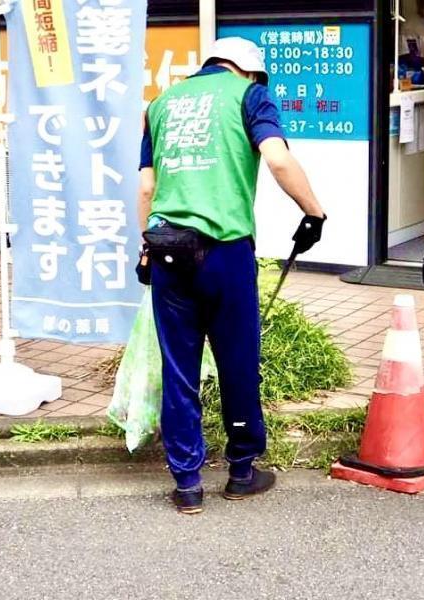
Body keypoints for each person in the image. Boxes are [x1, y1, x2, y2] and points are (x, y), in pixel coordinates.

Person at [136, 37, 326, 515]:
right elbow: (278, 158)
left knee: (178, 369)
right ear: (249, 71)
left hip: (167, 251)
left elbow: (147, 185)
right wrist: (314, 212)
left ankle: (186, 484)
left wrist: (145, 247)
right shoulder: (250, 96)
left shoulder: (159, 105)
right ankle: (241, 472)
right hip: (225, 251)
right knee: (237, 361)